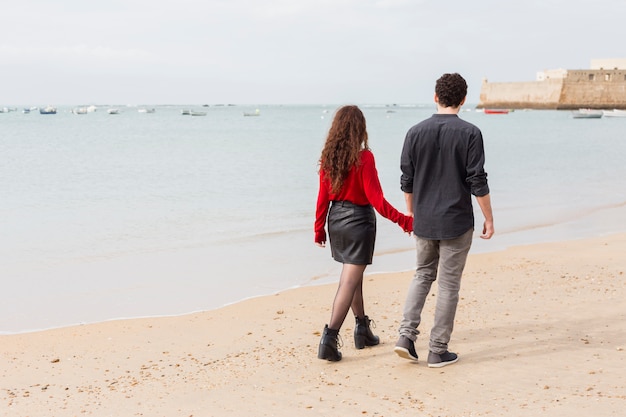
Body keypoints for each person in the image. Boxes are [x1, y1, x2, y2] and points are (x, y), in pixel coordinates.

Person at [394, 73, 494, 368]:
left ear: (435, 97)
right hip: (456, 222)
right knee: (449, 284)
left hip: (424, 221)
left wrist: (412, 213)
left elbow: (407, 181)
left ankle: (405, 337)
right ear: (463, 100)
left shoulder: (414, 132)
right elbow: (477, 180)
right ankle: (437, 350)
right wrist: (489, 217)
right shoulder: (470, 133)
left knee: (422, 274)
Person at [315, 105, 413, 362]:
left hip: (336, 222)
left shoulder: (329, 158)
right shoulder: (364, 158)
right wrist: (405, 221)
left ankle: (362, 330)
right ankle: (329, 337)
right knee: (349, 280)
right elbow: (377, 200)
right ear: (359, 128)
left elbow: (322, 198)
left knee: (353, 276)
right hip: (358, 222)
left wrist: (319, 229)